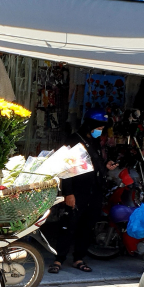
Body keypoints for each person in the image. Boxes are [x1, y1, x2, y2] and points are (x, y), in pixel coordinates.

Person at [44, 109, 118, 274]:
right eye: (98, 127)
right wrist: (68, 193)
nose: (101, 130)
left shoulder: (96, 143)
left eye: (102, 128)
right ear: (89, 125)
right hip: (77, 192)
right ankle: (59, 259)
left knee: (86, 226)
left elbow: (93, 167)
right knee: (68, 225)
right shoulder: (74, 141)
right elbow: (66, 168)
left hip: (94, 193)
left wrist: (105, 168)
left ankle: (79, 258)